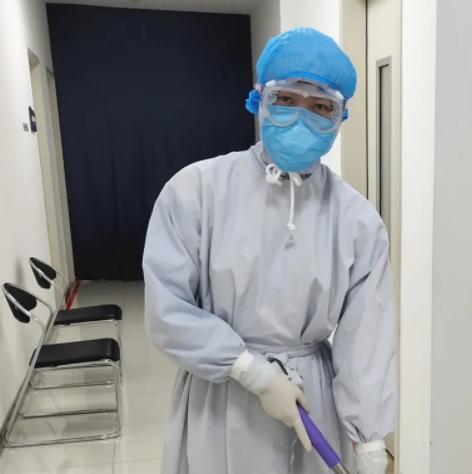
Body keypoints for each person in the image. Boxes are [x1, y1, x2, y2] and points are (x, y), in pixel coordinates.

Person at [143, 27, 396, 474]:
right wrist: (251, 371)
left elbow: (367, 339)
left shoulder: (357, 220)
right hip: (222, 391)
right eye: (286, 99)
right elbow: (168, 310)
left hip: (312, 401)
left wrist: (371, 442)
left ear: (340, 117)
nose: (302, 117)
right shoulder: (195, 192)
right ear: (258, 100)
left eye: (321, 107)